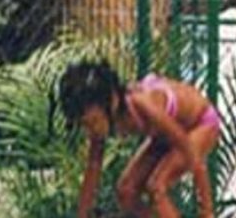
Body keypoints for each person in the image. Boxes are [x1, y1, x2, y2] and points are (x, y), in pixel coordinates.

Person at [59, 60, 221, 218]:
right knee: (126, 191)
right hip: (165, 137)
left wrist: (207, 211)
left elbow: (192, 155)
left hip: (200, 125)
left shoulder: (142, 104)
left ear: (112, 101)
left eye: (93, 122)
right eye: (84, 125)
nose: (91, 130)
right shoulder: (102, 119)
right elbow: (93, 170)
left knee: (156, 186)